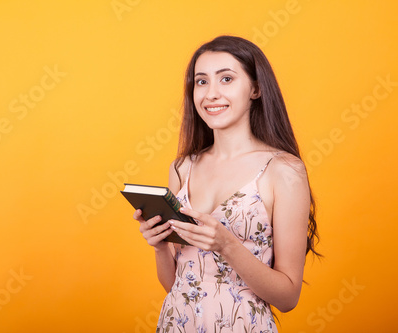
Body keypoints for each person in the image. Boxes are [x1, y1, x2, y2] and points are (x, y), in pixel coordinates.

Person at [133, 35, 320, 333]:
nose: (211, 94)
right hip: (177, 324)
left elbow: (288, 297)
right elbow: (177, 284)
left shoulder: (283, 170)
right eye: (202, 81)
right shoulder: (183, 168)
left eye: (227, 79)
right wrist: (159, 247)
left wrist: (227, 245)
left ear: (255, 89)